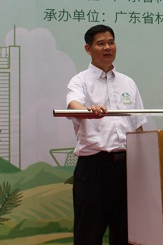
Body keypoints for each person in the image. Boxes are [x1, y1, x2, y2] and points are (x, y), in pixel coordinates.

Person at [66, 24, 147, 244]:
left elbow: (138, 126)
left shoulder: (128, 82)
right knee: (88, 234)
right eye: (101, 43)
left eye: (111, 42)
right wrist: (87, 110)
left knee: (126, 233)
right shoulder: (80, 81)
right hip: (94, 167)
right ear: (88, 49)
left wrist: (143, 163)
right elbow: (73, 104)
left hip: (127, 167)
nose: (107, 47)